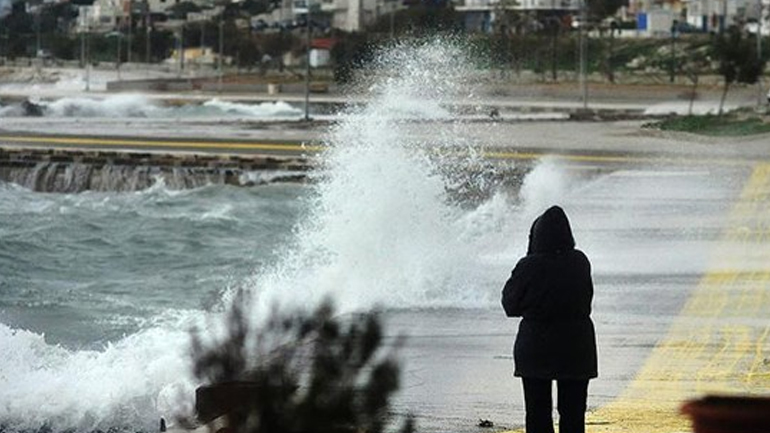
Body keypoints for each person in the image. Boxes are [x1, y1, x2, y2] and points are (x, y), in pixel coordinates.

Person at [501, 205, 597, 433]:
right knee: (573, 414)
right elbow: (586, 300)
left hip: (536, 348)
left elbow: (509, 304)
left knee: (537, 413)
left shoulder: (528, 266)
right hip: (577, 349)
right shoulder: (580, 262)